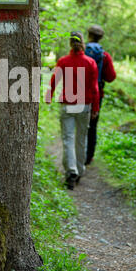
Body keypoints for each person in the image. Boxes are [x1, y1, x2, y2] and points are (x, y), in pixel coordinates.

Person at [45, 31, 100, 190]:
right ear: (82, 43)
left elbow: (55, 79)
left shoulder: (63, 61)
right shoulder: (90, 63)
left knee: (68, 139)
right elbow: (94, 88)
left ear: (70, 44)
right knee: (81, 139)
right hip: (84, 105)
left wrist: (49, 96)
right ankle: (79, 170)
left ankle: (71, 172)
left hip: (67, 105)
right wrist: (95, 108)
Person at [85, 24, 116, 165]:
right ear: (100, 38)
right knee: (92, 125)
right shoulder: (105, 56)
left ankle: (77, 156)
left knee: (78, 124)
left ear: (89, 35)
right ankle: (89, 156)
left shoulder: (82, 51)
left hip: (79, 93)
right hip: (97, 94)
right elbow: (111, 77)